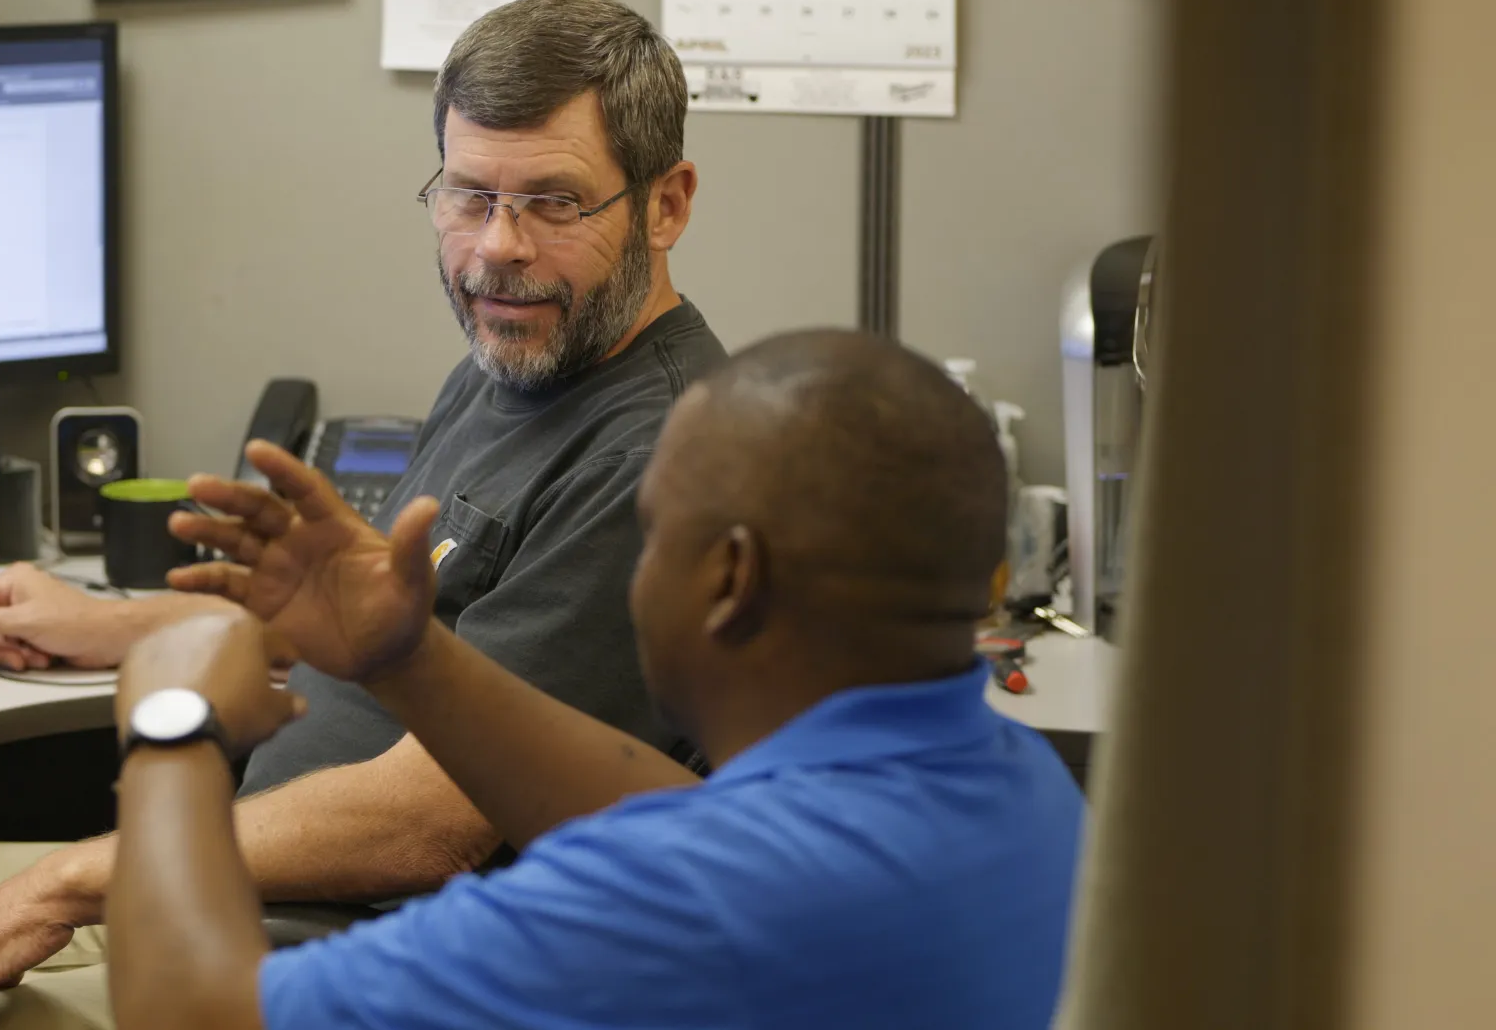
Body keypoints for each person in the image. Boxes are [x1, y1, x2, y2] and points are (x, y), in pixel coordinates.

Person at [0, 0, 725, 1030]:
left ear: (665, 204)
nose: (497, 248)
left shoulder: (653, 456)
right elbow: (373, 622)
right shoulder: (518, 357)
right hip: (264, 893)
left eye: (554, 202)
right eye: (468, 195)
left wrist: (64, 884)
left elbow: (433, 826)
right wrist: (111, 623)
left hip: (369, 963)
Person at [104, 329, 1088, 1030]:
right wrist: (408, 658)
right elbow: (685, 817)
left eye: (652, 532)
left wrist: (170, 720)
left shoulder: (674, 903)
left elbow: (189, 1011)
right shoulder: (1028, 788)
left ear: (728, 579)